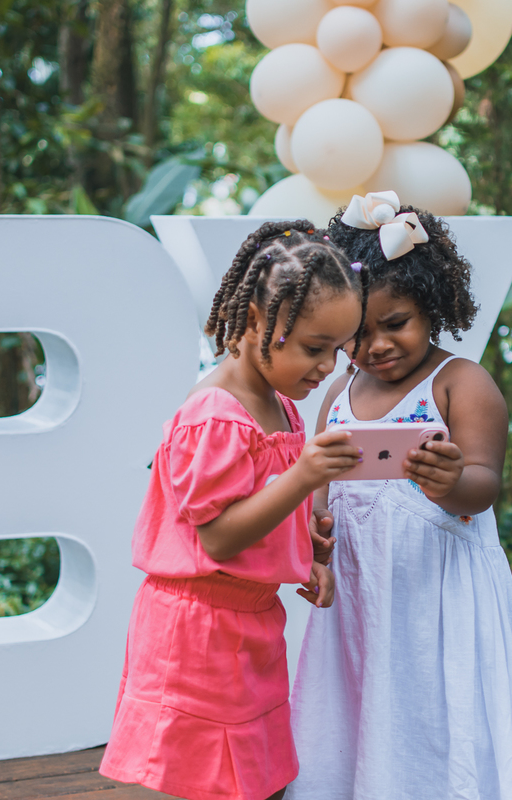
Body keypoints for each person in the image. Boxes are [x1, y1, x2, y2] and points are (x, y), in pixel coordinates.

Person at [100, 221, 371, 800]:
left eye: (338, 350)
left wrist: (308, 548)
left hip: (251, 625)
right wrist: (303, 476)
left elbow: (264, 515)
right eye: (313, 348)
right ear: (254, 321)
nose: (328, 367)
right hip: (198, 631)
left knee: (256, 777)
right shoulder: (215, 416)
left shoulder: (283, 408)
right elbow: (219, 538)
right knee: (203, 780)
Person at [290, 193, 512, 800]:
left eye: (395, 323)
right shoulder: (339, 396)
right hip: (361, 593)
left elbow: (483, 486)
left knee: (432, 710)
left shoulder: (461, 384)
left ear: (432, 306)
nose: (376, 346)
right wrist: (317, 530)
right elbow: (324, 488)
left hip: (438, 598)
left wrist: (450, 480)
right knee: (362, 705)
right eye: (357, 334)